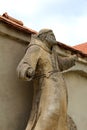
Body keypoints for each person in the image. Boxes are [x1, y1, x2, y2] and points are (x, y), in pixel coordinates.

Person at [17, 29, 77, 130]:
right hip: (47, 87)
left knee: (60, 114)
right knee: (49, 113)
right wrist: (28, 70)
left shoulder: (52, 53)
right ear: (44, 36)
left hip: (60, 90)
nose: (54, 36)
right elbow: (24, 63)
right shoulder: (36, 48)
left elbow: (60, 64)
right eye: (51, 34)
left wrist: (71, 60)